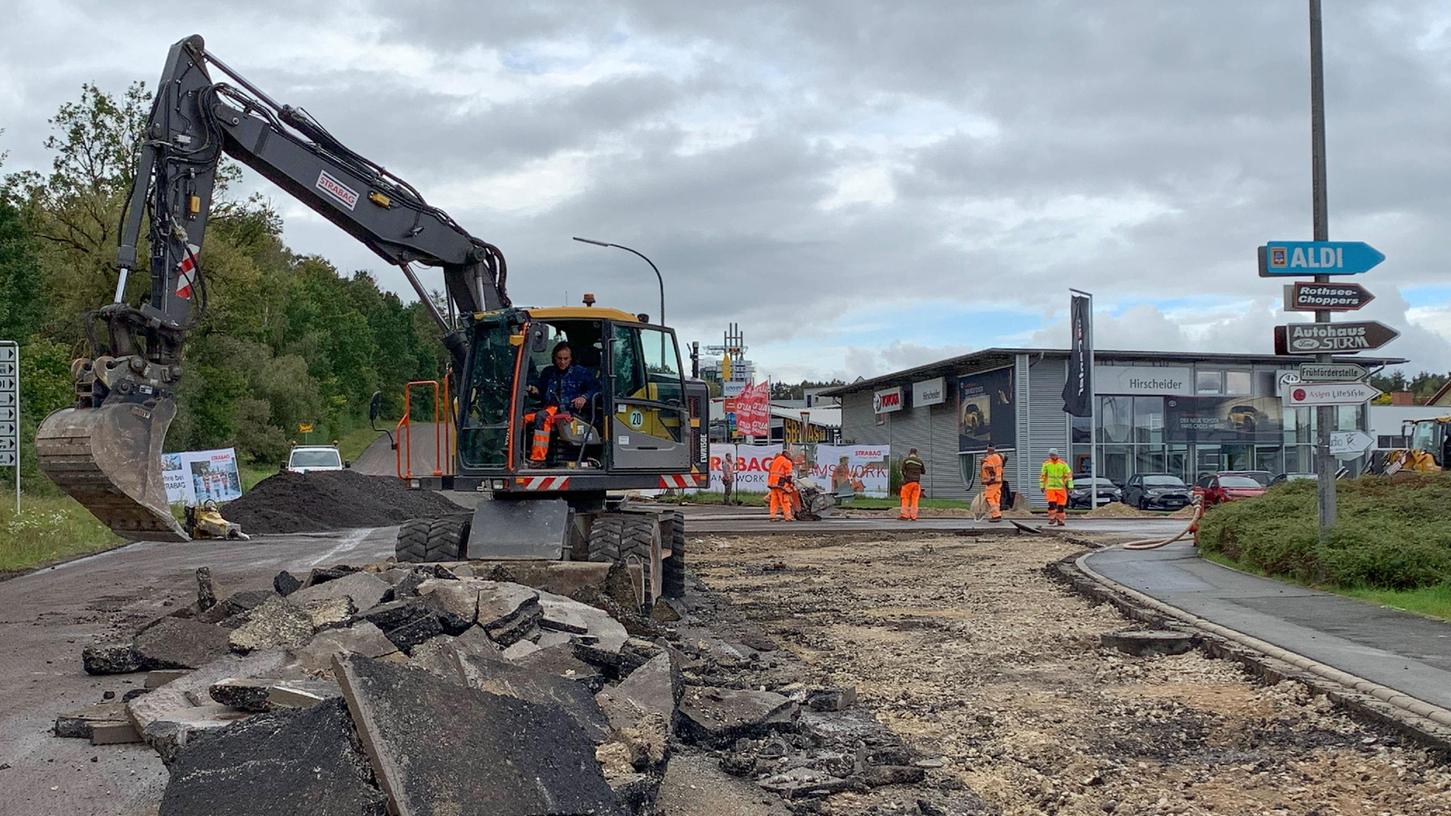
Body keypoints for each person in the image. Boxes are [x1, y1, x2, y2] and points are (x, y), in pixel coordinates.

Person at [524, 341, 600, 464]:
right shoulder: (548, 372)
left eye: (566, 358)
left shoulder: (580, 372)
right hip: (549, 409)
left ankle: (538, 459)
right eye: (559, 358)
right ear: (554, 358)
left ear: (571, 358)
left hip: (568, 412)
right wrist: (533, 389)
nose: (562, 362)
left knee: (542, 417)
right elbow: (540, 391)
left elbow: (597, 388)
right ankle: (517, 454)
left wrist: (584, 397)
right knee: (522, 417)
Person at [1040, 448, 1074, 526]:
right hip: (1050, 488)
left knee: (1061, 505)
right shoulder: (1046, 464)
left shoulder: (1063, 464)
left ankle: (1060, 520)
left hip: (1061, 488)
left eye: (1054, 455)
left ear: (1057, 455)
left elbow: (1069, 476)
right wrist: (1042, 486)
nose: (1052, 456)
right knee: (1051, 503)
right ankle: (1052, 518)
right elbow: (1042, 476)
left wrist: (1070, 486)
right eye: (1051, 455)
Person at [766, 447, 797, 521]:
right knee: (784, 500)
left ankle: (772, 516)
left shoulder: (776, 460)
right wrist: (791, 484)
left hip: (773, 484)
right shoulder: (787, 462)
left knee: (774, 501)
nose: (790, 456)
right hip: (781, 484)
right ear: (786, 454)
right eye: (790, 455)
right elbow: (788, 475)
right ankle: (788, 517)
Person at [979, 444, 1005, 522]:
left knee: (989, 497)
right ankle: (997, 514)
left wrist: (983, 462)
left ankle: (996, 515)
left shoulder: (991, 457)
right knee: (996, 498)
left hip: (992, 482)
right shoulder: (997, 457)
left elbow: (990, 469)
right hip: (997, 480)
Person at [899, 448, 925, 520]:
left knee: (905, 498)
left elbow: (902, 471)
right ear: (916, 454)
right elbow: (923, 471)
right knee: (915, 500)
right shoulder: (920, 461)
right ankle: (913, 516)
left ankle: (905, 515)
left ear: (909, 453)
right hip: (916, 483)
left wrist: (905, 477)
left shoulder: (906, 460)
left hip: (908, 482)